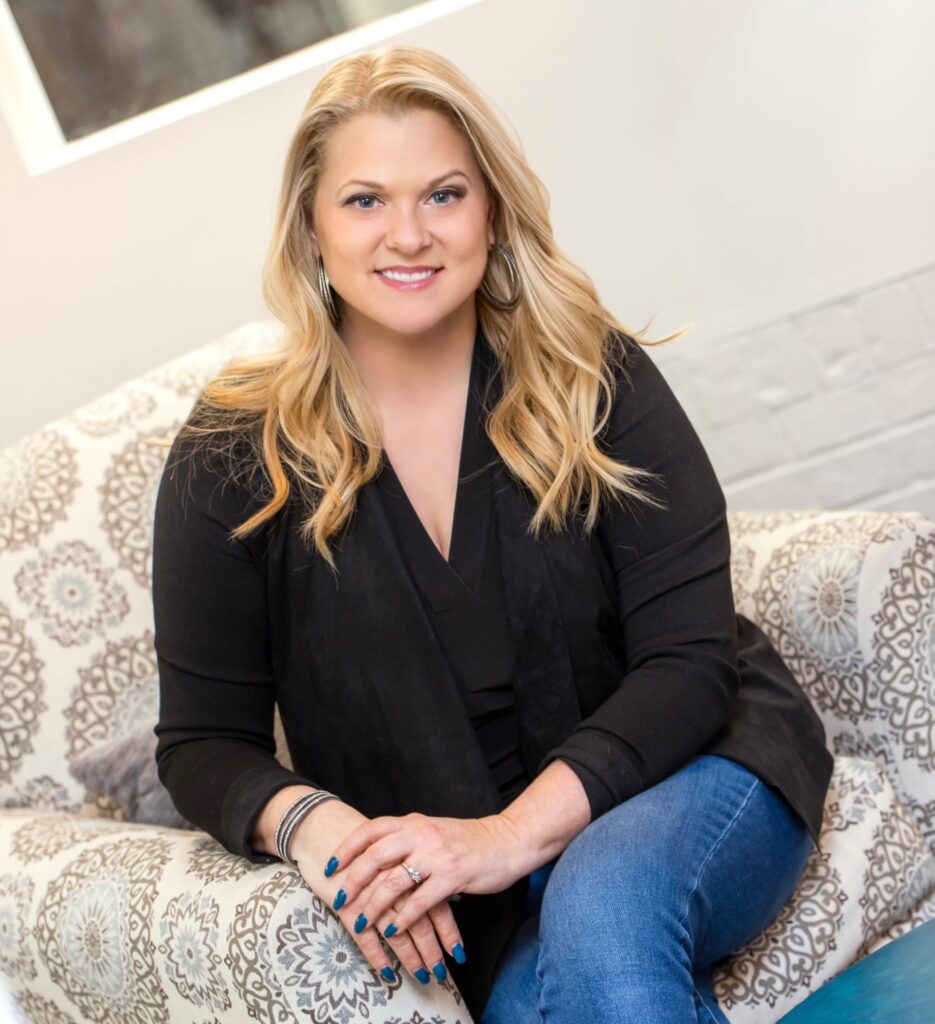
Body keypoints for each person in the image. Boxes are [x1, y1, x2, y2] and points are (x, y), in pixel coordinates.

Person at [152, 43, 833, 1023]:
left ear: (491, 212)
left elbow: (687, 663)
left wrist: (508, 835)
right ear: (308, 228)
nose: (408, 235)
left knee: (601, 901)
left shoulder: (589, 374)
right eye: (363, 200)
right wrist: (323, 829)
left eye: (442, 195)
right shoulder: (230, 457)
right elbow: (202, 744)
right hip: (483, 901)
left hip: (693, 772)